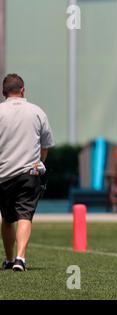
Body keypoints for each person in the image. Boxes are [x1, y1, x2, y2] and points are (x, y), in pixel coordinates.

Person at [0, 74, 55, 271]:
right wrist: (38, 163)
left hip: (3, 174)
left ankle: (8, 259)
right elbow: (46, 145)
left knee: (7, 218)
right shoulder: (37, 112)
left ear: (3, 92)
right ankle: (20, 258)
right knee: (25, 215)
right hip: (28, 173)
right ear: (22, 90)